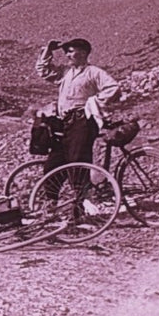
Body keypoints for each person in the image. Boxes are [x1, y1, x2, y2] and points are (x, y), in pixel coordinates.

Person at [33, 37, 120, 213]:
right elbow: (43, 70)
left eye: (72, 51)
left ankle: (79, 208)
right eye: (67, 52)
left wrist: (94, 102)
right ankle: (50, 205)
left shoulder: (94, 72)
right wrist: (48, 51)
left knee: (77, 161)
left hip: (82, 122)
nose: (68, 55)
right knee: (54, 162)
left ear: (84, 53)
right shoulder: (66, 72)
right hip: (64, 123)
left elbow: (113, 88)